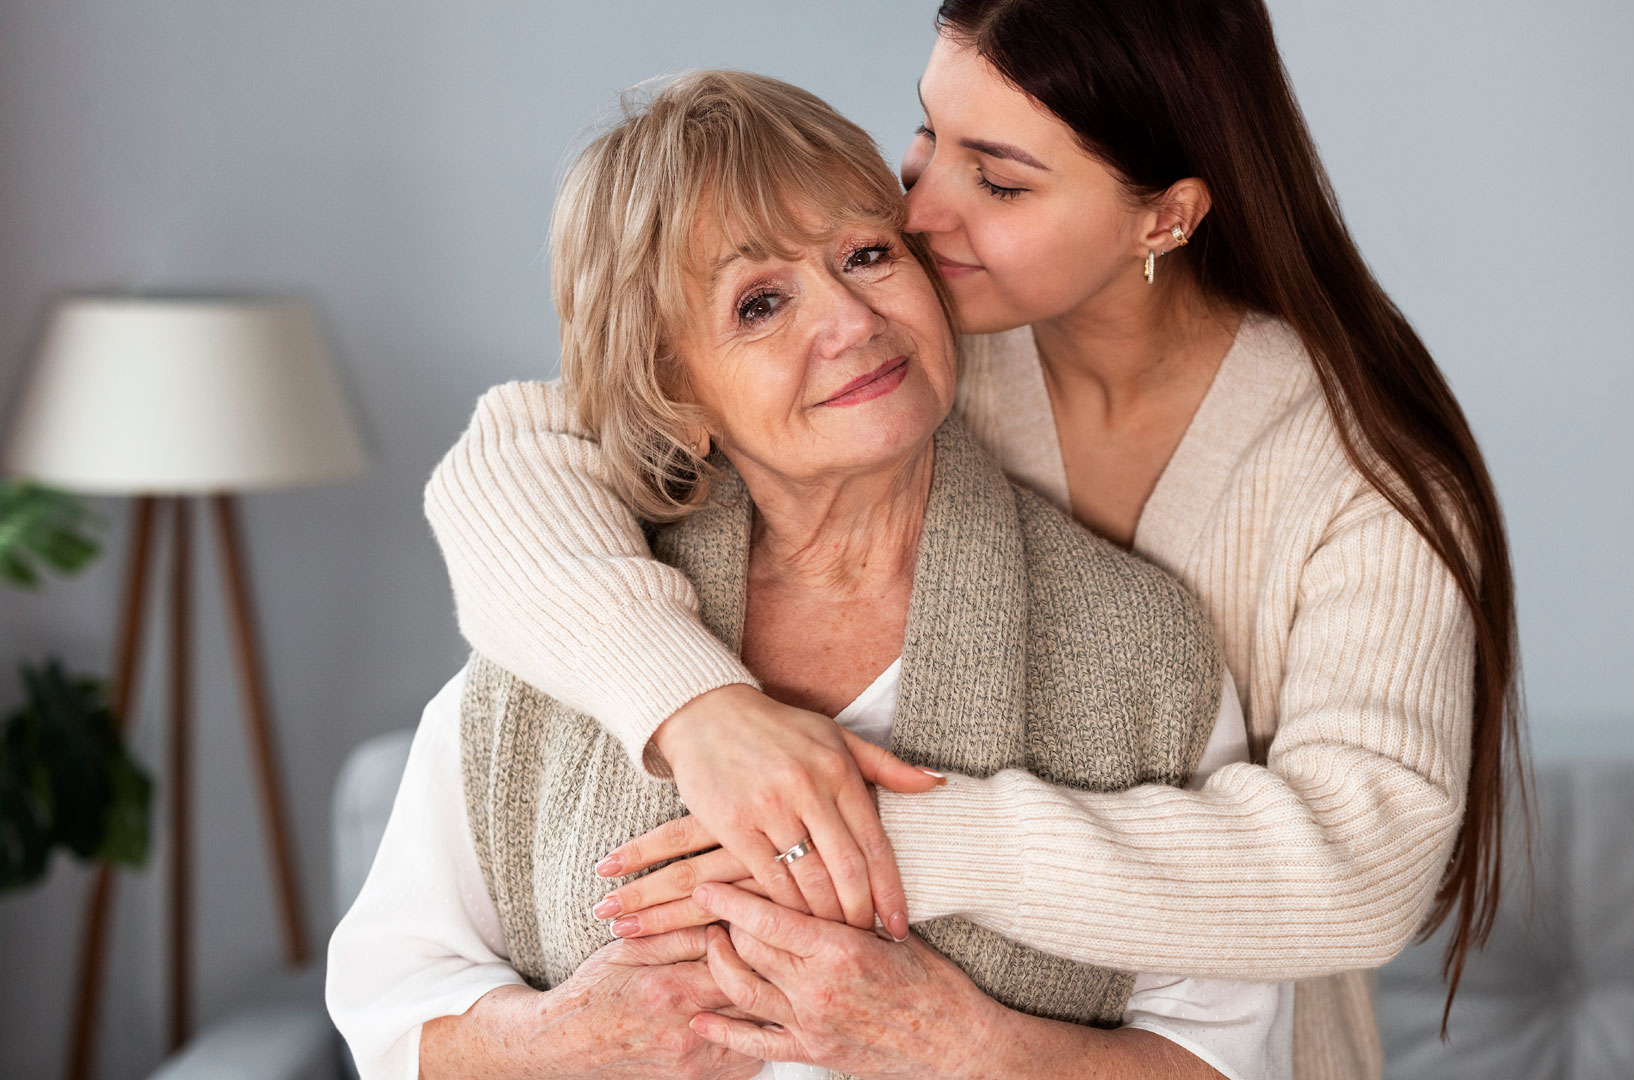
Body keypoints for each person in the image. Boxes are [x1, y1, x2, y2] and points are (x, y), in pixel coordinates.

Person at [423, 2, 1527, 1076]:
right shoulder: (901, 349)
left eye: (997, 179)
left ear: (1166, 217)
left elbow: (1366, 866)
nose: (920, 211)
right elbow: (518, 453)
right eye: (926, 136)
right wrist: (698, 711)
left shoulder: (1362, 478)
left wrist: (877, 844)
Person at [328, 69, 1291, 1080]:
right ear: (675, 390)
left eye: (867, 254)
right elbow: (393, 1014)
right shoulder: (566, 618)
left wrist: (967, 1048)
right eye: (760, 304)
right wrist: (567, 1043)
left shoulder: (1141, 651)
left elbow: (1225, 1058)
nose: (851, 320)